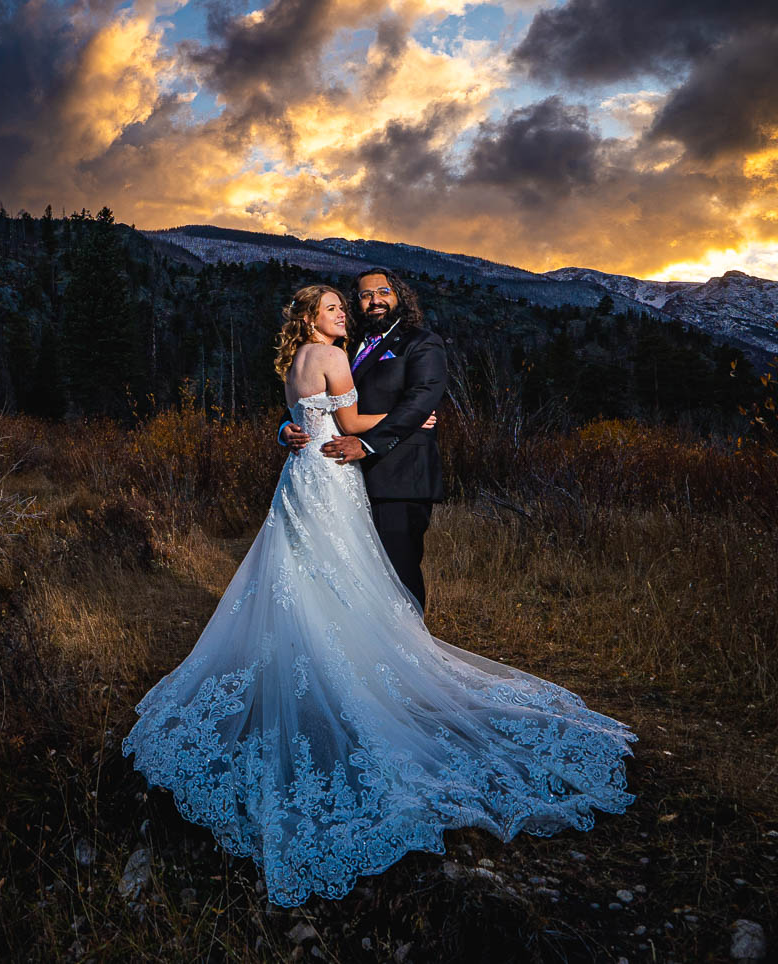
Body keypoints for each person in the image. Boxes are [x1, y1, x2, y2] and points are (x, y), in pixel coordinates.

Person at [122, 282, 635, 908]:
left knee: (308, 573)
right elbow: (343, 420)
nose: (350, 310)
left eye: (356, 301)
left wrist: (313, 424)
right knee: (343, 575)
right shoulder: (339, 355)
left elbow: (315, 413)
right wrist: (411, 419)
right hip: (333, 472)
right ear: (314, 316)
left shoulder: (327, 356)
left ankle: (329, 664)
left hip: (306, 478)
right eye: (338, 305)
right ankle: (373, 677)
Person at [279, 267, 447, 610]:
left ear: (399, 295)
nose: (375, 301)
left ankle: (409, 651)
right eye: (366, 295)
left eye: (383, 292)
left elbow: (422, 399)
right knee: (352, 572)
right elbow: (313, 400)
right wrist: (284, 429)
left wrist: (367, 444)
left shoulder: (421, 342)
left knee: (398, 572)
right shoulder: (343, 345)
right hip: (343, 475)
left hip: (398, 475)